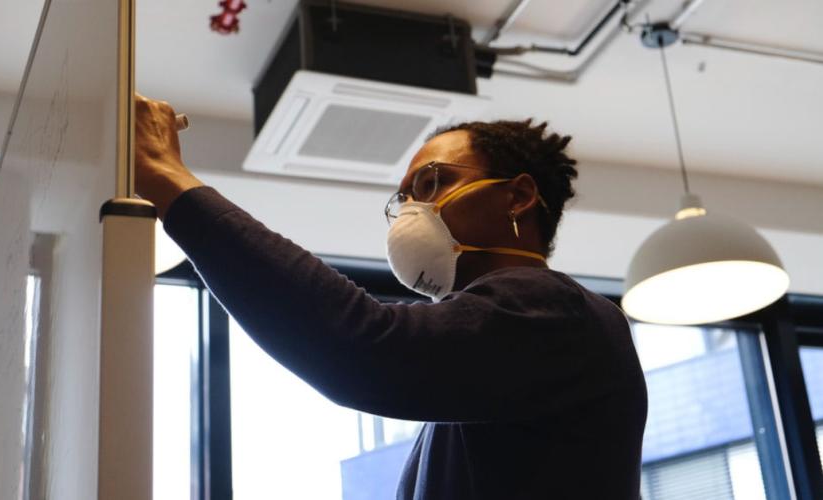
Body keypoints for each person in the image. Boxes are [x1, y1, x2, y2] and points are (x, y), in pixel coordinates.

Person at [134, 94, 648, 499]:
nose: (410, 212)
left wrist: (170, 181)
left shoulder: (555, 311)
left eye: (431, 183)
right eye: (402, 199)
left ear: (517, 196)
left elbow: (365, 348)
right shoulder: (501, 352)